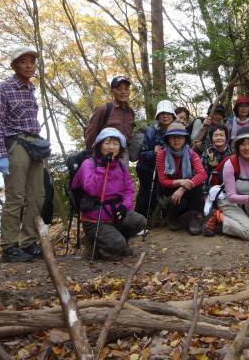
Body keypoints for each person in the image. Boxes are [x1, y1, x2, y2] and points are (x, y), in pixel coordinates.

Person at [0, 46, 47, 263]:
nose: (29, 65)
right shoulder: (2, 88)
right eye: (23, 61)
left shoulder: (31, 89)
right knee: (16, 196)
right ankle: (10, 247)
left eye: (32, 61)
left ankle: (29, 243)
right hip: (15, 144)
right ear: (14, 65)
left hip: (34, 145)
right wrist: (0, 154)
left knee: (37, 195)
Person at [72, 128, 146, 260]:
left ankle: (117, 244)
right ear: (99, 145)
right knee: (117, 245)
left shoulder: (121, 166)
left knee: (139, 221)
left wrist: (124, 206)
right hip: (95, 219)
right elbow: (91, 189)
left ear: (120, 148)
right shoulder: (88, 164)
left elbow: (129, 190)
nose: (111, 147)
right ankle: (96, 245)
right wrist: (102, 167)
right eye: (107, 143)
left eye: (116, 144)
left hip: (115, 215)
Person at [204, 127, 249, 239]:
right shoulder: (230, 164)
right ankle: (218, 217)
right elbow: (232, 197)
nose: (247, 148)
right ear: (237, 146)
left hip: (247, 201)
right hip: (229, 202)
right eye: (243, 144)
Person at [156, 122, 207, 235]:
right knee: (179, 200)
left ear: (185, 139)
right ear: (167, 139)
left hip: (186, 190)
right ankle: (172, 216)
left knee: (196, 184)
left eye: (179, 137)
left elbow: (202, 174)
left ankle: (193, 216)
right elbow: (163, 180)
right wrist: (179, 182)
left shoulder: (191, 154)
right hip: (169, 190)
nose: (176, 140)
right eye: (172, 137)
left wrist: (183, 187)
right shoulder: (161, 154)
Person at [135, 100, 176, 217]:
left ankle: (158, 218)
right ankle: (140, 220)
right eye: (162, 113)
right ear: (158, 116)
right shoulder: (152, 131)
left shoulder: (176, 129)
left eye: (168, 113)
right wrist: (154, 153)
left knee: (161, 193)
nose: (165, 116)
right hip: (148, 168)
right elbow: (142, 154)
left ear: (173, 115)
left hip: (166, 169)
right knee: (146, 193)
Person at [84, 77, 136, 163]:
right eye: (119, 89)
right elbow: (91, 133)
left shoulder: (130, 112)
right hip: (103, 155)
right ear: (112, 90)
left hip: (122, 155)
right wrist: (91, 155)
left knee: (121, 176)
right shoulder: (104, 108)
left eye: (126, 89)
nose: (123, 92)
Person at [201, 125, 233, 194]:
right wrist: (205, 193)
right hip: (212, 189)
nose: (218, 138)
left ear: (226, 137)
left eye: (221, 135)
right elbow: (203, 174)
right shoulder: (207, 153)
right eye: (215, 135)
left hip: (231, 188)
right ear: (211, 138)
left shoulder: (233, 152)